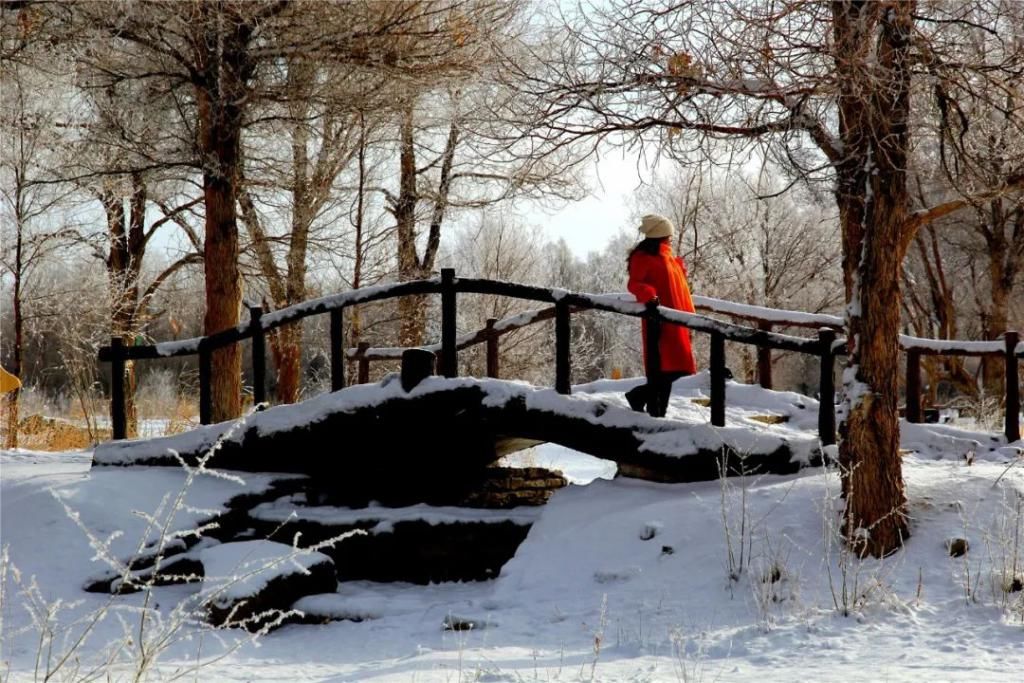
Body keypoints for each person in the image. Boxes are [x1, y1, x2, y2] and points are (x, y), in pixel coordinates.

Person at [624, 214, 697, 416]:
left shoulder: (669, 257)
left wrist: (681, 271)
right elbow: (634, 284)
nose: (671, 238)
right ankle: (650, 406)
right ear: (660, 235)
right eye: (668, 235)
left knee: (677, 368)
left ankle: (650, 405)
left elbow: (678, 288)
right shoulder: (644, 257)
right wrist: (649, 295)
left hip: (678, 319)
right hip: (661, 320)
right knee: (665, 367)